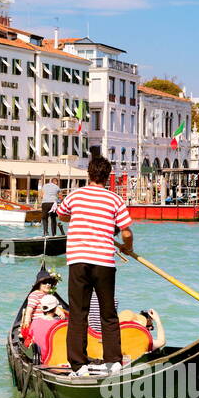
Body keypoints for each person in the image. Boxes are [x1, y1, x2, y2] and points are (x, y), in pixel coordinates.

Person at [55, 154, 134, 377]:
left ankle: (78, 366)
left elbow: (62, 216)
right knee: (108, 313)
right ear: (107, 177)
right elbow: (126, 231)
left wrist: (79, 218)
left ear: (89, 174)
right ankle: (114, 362)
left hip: (78, 260)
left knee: (78, 313)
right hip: (103, 262)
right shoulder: (115, 200)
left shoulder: (75, 196)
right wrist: (127, 247)